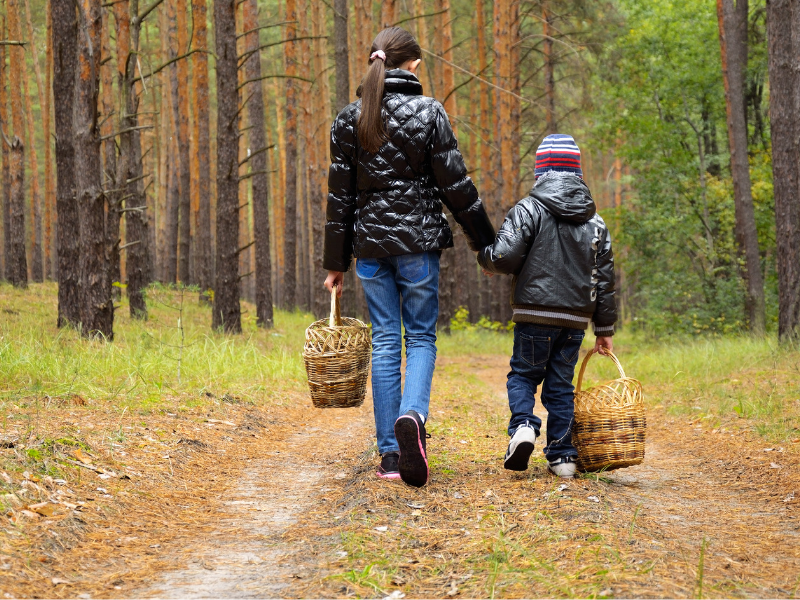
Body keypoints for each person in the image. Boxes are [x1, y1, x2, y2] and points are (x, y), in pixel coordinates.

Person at [322, 27, 495, 487]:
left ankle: (391, 456)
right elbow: (456, 187)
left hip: (371, 249)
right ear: (413, 64)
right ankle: (413, 418)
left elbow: (340, 199)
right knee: (419, 339)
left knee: (384, 341)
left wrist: (335, 263)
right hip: (418, 246)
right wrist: (485, 243)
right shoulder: (429, 113)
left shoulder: (349, 119)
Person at [478, 134, 616, 479]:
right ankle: (563, 455)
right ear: (578, 172)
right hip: (574, 319)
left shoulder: (528, 208)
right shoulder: (595, 221)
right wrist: (604, 329)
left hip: (534, 312)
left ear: (541, 171)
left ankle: (524, 426)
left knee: (524, 374)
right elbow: (603, 277)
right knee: (561, 385)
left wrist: (487, 258)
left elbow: (504, 255)